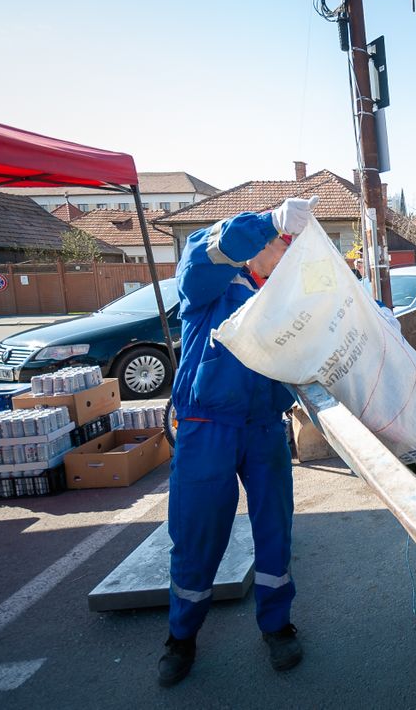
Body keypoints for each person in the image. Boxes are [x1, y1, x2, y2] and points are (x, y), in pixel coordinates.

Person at [158, 196, 318, 687]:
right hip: (207, 426)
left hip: (265, 426)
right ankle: (181, 638)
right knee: (196, 534)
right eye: (278, 244)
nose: (283, 252)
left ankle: (277, 626)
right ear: (257, 246)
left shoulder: (285, 294)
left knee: (275, 530)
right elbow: (206, 249)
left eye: (288, 245)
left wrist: (377, 322)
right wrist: (266, 221)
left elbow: (336, 310)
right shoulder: (211, 282)